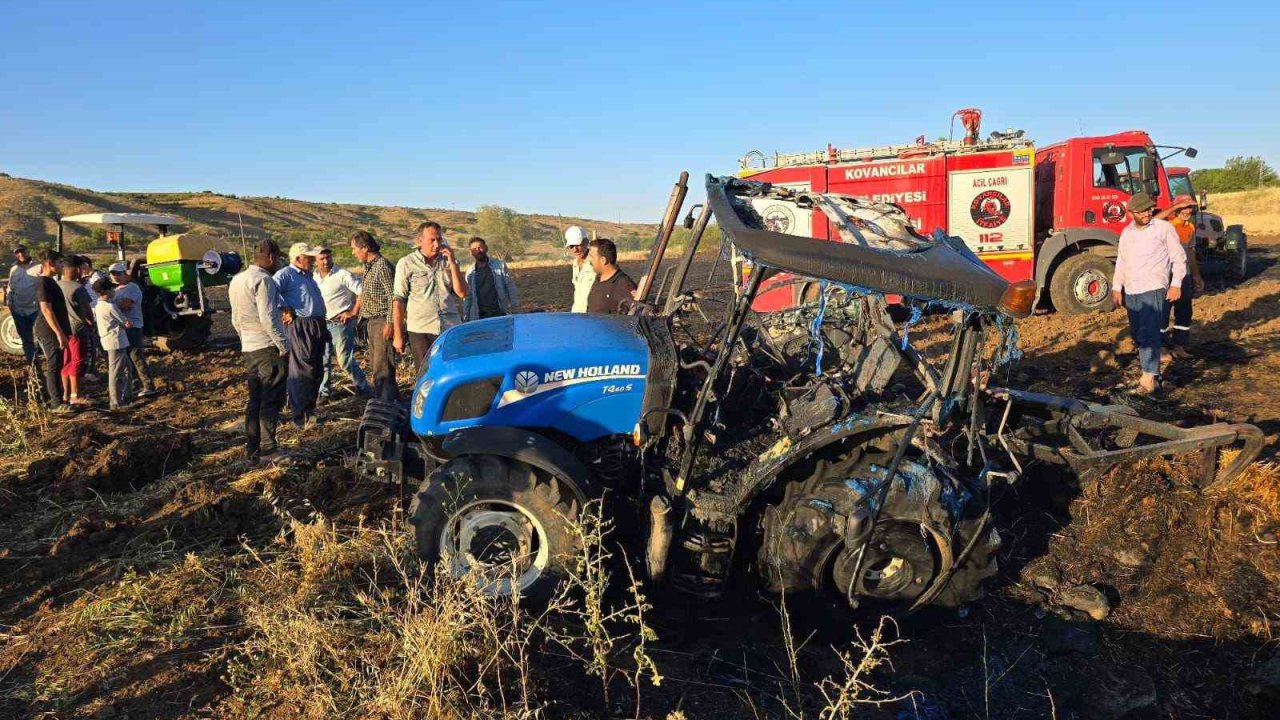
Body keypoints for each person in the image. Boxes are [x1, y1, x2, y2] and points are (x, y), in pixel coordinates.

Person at [1110, 192, 1187, 395]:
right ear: (1131, 212)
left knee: (1149, 332)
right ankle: (1154, 369)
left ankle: (1148, 378)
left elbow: (1178, 258)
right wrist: (1117, 286)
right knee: (1137, 333)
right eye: (1143, 210)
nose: (1147, 213)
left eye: (1149, 209)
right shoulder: (1127, 233)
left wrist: (1176, 283)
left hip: (1153, 287)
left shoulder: (1164, 229)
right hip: (1132, 290)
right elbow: (1122, 261)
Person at [229, 240, 290, 463]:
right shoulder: (264, 280)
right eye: (279, 259)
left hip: (249, 348)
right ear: (272, 258)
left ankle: (252, 449)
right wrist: (283, 345)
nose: (280, 263)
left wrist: (244, 339)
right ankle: (268, 449)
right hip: (267, 348)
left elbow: (235, 319)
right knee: (271, 399)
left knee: (255, 400)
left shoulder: (237, 280)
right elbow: (268, 318)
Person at [392, 221, 465, 370]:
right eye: (432, 240)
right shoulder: (406, 263)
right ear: (420, 241)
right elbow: (398, 300)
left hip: (450, 327)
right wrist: (398, 335)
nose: (437, 244)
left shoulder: (450, 261)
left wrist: (453, 263)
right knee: (426, 373)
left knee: (454, 369)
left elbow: (462, 292)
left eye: (439, 239)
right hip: (421, 329)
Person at [275, 242, 330, 428]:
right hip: (302, 326)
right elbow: (270, 292)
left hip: (316, 325)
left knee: (316, 369)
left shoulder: (308, 276)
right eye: (309, 257)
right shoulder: (286, 275)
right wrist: (285, 308)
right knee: (303, 369)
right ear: (298, 259)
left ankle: (309, 411)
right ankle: (300, 417)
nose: (314, 260)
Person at [314, 246, 371, 399]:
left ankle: (363, 386)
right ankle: (324, 392)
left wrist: (353, 311)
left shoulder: (342, 274)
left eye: (328, 257)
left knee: (344, 360)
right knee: (323, 360)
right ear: (316, 260)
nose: (326, 261)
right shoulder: (313, 278)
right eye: (322, 259)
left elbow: (362, 291)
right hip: (321, 323)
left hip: (340, 323)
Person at [349, 230, 398, 401]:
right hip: (373, 323)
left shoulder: (382, 266)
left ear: (365, 247)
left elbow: (394, 297)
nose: (353, 253)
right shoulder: (369, 267)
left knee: (383, 368)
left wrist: (390, 324)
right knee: (378, 367)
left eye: (355, 248)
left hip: (382, 322)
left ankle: (387, 407)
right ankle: (385, 404)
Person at [1156, 195, 1205, 359]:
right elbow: (1153, 220)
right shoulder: (1165, 225)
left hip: (1184, 275)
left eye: (1190, 207)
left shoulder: (1190, 227)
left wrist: (1196, 276)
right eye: (1183, 207)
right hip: (1166, 275)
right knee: (1162, 311)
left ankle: (1179, 346)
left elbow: (1190, 252)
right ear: (1175, 209)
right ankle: (1161, 347)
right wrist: (1172, 208)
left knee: (1185, 311)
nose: (1187, 210)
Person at [109, 262, 155, 397]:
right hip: (123, 326)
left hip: (133, 326)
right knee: (127, 359)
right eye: (113, 274)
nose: (116, 276)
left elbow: (126, 305)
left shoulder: (132, 287)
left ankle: (148, 385)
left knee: (136, 356)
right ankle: (134, 384)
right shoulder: (116, 291)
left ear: (125, 274)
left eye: (118, 273)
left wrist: (109, 305)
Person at [32, 250, 71, 410]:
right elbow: (46, 309)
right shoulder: (42, 283)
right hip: (48, 330)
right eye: (60, 262)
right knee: (54, 364)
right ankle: (56, 404)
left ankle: (60, 400)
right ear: (51, 264)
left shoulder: (51, 281)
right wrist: (59, 334)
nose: (63, 266)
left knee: (58, 364)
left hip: (55, 330)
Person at [56, 259, 94, 406]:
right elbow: (87, 311)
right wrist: (91, 325)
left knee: (66, 361)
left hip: (62, 329)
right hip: (77, 329)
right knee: (77, 361)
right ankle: (75, 395)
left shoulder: (57, 285)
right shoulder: (77, 288)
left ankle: (65, 394)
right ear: (77, 269)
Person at [91, 278, 133, 410]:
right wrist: (128, 322)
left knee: (125, 368)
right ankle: (115, 402)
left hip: (110, 340)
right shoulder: (110, 306)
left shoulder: (98, 306)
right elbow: (125, 322)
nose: (114, 291)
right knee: (115, 372)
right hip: (116, 341)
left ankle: (125, 395)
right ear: (106, 291)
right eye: (111, 289)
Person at [463, 237, 519, 321]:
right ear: (471, 253)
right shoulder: (470, 272)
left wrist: (515, 309)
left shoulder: (500, 266)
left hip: (500, 313)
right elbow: (468, 297)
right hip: (479, 316)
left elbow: (510, 287)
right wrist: (466, 317)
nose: (478, 251)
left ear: (486, 248)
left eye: (480, 247)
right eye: (474, 249)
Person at [6, 245, 40, 362]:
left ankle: (53, 366)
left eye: (22, 251)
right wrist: (9, 303)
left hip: (36, 310)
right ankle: (33, 365)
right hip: (19, 311)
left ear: (28, 251)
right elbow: (10, 288)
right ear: (15, 255)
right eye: (17, 253)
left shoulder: (39, 267)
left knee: (43, 338)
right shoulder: (13, 269)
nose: (20, 254)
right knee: (26, 339)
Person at [586, 238, 637, 315]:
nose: (589, 261)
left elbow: (631, 320)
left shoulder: (624, 285)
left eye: (592, 257)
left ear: (603, 260)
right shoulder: (598, 279)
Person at [565, 225, 596, 313]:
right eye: (571, 246)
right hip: (577, 315)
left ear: (586, 242)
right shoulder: (575, 264)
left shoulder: (597, 262)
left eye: (578, 245)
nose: (575, 250)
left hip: (593, 316)